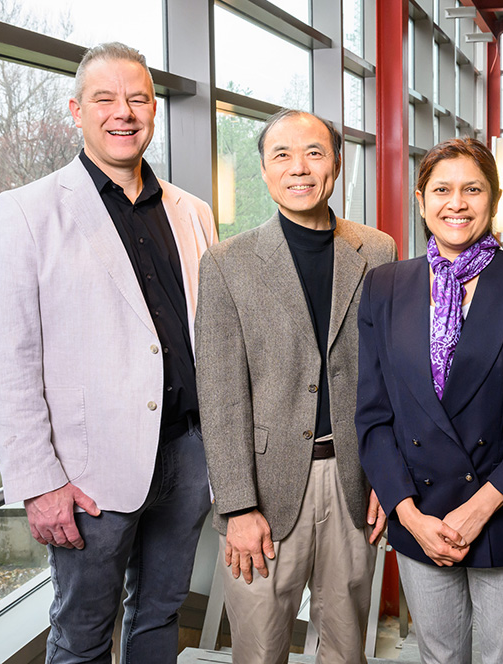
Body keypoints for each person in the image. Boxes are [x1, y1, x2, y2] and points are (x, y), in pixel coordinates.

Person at [0, 42, 218, 663]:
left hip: (187, 454)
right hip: (87, 476)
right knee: (82, 636)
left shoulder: (191, 213)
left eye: (137, 98)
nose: (123, 112)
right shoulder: (29, 212)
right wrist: (38, 482)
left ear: (154, 111)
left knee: (161, 619)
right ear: (76, 111)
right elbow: (7, 363)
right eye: (104, 98)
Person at [355, 138, 503, 664]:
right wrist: (406, 512)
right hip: (422, 517)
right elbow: (373, 413)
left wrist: (479, 510)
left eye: (472, 189)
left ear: (493, 199)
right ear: (420, 198)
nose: (456, 203)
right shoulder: (386, 285)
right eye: (442, 189)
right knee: (438, 658)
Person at [196, 109, 397, 664]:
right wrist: (237, 507)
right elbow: (219, 393)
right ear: (263, 170)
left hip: (354, 479)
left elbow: (392, 375)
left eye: (313, 152)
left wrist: (389, 475)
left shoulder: (377, 251)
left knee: (347, 647)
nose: (299, 168)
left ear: (336, 162)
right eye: (281, 155)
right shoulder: (227, 263)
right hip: (264, 488)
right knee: (260, 649)